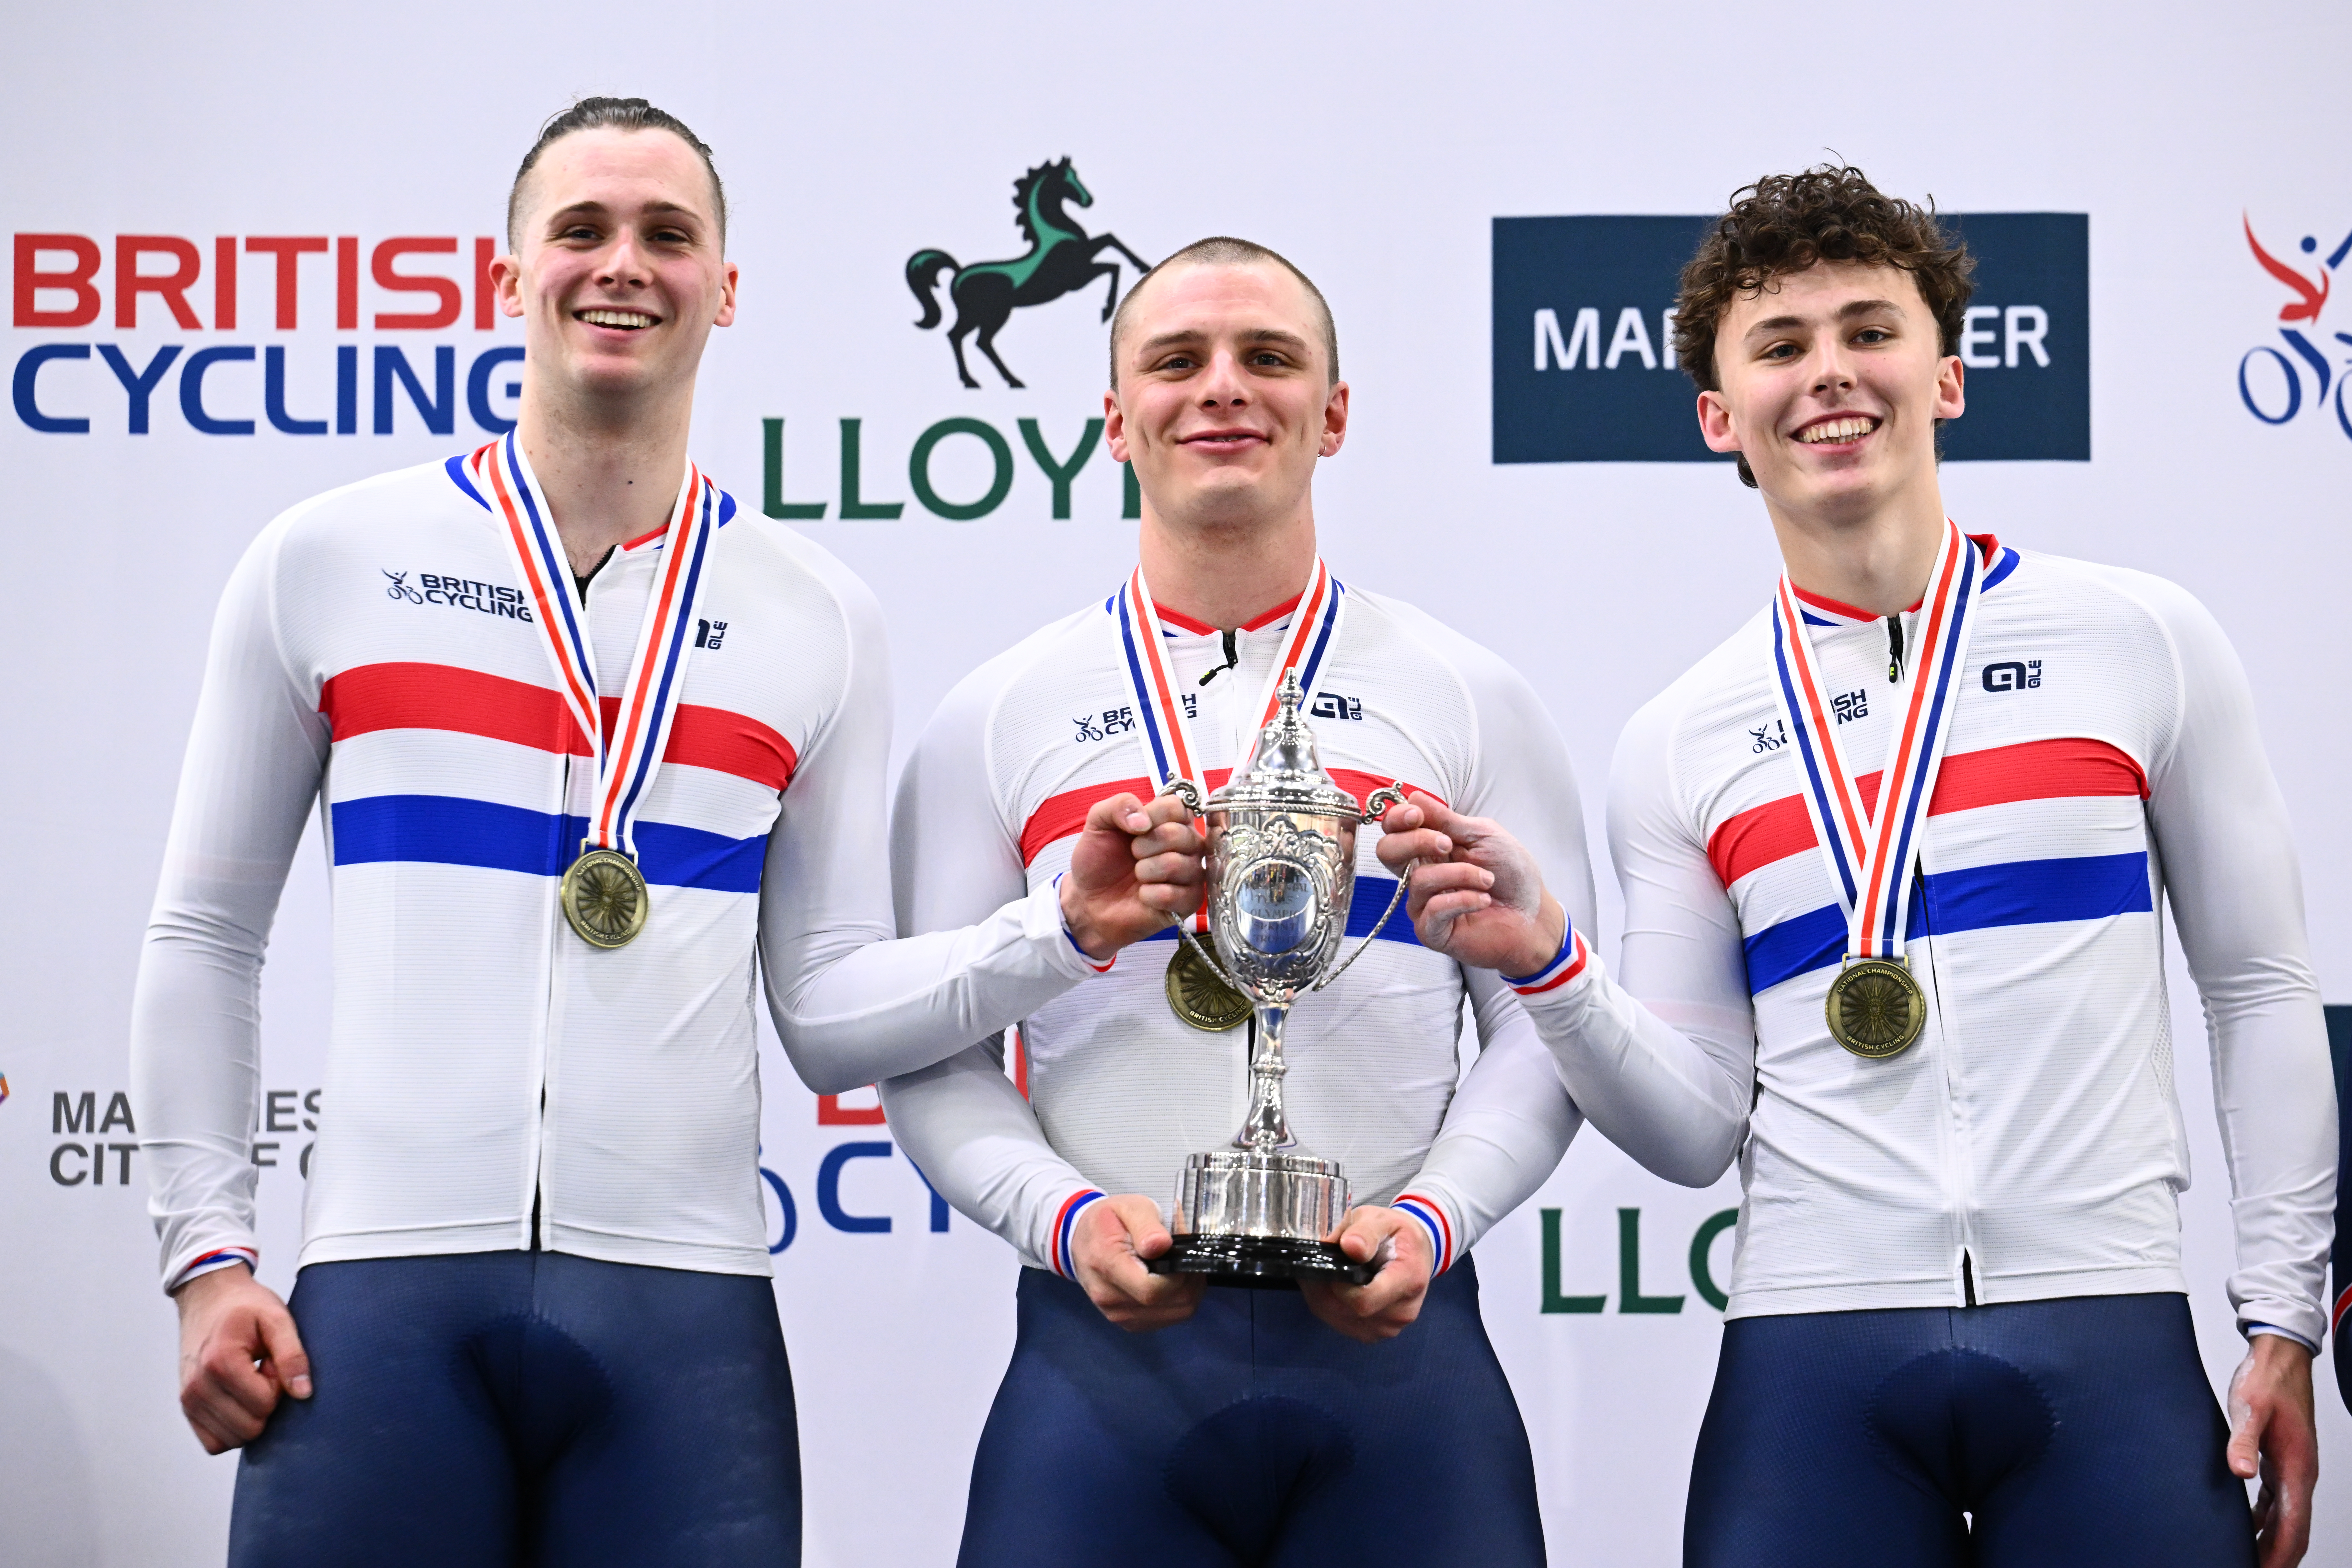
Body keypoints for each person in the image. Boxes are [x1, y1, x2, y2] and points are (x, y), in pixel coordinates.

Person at [129, 97, 1198, 1567]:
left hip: (682, 1324)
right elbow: (204, 933)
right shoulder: (328, 561)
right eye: (580, 230)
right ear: (507, 276)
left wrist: (1058, 933)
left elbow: (824, 1008)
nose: (621, 265)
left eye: (667, 235)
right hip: (380, 1299)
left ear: (727, 286)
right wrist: (208, 1255)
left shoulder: (815, 612)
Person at [1373, 166, 2336, 1568]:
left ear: (1947, 375)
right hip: (1811, 1364)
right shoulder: (1681, 737)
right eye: (1780, 345)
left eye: (1867, 329)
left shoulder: (2140, 640)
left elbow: (2259, 988)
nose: (1830, 373)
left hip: (2110, 1329)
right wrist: (1552, 966)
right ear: (1722, 419)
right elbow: (1695, 1129)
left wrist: (2283, 1317)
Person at [879, 236, 1587, 1568]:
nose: (1223, 389)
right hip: (1100, 1367)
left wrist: (1438, 1217)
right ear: (1114, 417)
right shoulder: (995, 714)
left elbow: (1549, 1026)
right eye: (1176, 360)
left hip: (1402, 1360)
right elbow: (931, 1056)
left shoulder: (1470, 695)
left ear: (1334, 414)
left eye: (1269, 358)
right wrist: (1060, 1214)